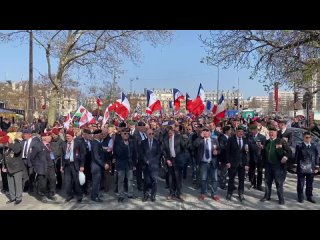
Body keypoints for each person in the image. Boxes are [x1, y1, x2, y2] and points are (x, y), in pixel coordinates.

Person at [260, 127, 292, 205]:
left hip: (277, 165)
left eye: (273, 132)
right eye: (270, 132)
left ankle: (281, 198)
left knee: (278, 182)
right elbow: (264, 154)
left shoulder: (280, 141)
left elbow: (289, 151)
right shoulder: (267, 142)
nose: (271, 134)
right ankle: (267, 196)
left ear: (276, 133)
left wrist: (285, 157)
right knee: (267, 182)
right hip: (268, 165)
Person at [194, 127, 220, 201]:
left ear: (209, 132)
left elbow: (219, 149)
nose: (205, 132)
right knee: (203, 179)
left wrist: (217, 152)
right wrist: (200, 137)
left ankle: (214, 194)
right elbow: (194, 145)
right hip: (203, 163)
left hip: (213, 162)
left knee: (214, 179)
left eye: (207, 131)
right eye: (204, 131)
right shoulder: (200, 140)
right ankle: (203, 193)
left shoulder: (214, 140)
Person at [225, 126, 250, 202]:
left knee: (241, 180)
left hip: (242, 163)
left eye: (242, 132)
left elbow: (247, 153)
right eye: (239, 131)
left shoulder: (245, 140)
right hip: (233, 163)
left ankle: (241, 193)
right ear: (236, 132)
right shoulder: (231, 139)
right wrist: (227, 162)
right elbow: (227, 152)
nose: (241, 133)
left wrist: (247, 164)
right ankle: (229, 193)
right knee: (231, 179)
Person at [293, 132, 319, 203]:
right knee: (300, 183)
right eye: (306, 137)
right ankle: (300, 196)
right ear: (303, 138)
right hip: (302, 167)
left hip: (311, 167)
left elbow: (316, 156)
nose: (308, 139)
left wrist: (317, 167)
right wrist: (295, 166)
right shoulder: (300, 146)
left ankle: (309, 196)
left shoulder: (314, 146)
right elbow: (296, 156)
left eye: (309, 137)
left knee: (310, 183)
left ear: (311, 138)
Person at [163, 127, 187, 201]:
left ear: (173, 131)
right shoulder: (166, 139)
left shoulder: (178, 137)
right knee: (171, 178)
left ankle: (179, 193)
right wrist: (167, 160)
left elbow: (184, 147)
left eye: (171, 132)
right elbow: (164, 151)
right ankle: (172, 193)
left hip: (178, 160)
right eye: (168, 133)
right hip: (170, 160)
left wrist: (185, 140)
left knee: (178, 178)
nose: (169, 134)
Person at [114, 128, 137, 202]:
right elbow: (118, 153)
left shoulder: (131, 142)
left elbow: (134, 153)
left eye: (128, 133)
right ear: (121, 134)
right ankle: (121, 195)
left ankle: (130, 194)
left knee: (130, 179)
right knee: (121, 180)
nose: (127, 135)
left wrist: (134, 164)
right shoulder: (117, 142)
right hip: (121, 164)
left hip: (129, 164)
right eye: (125, 133)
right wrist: (125, 145)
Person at [62, 130, 86, 203]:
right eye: (66, 136)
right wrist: (61, 166)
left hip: (75, 165)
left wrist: (82, 165)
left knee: (77, 182)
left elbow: (83, 154)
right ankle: (69, 195)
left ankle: (79, 196)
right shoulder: (64, 144)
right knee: (67, 182)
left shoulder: (78, 143)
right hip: (67, 165)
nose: (67, 138)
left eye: (69, 136)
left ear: (72, 136)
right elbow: (62, 155)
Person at [1, 132, 24, 205]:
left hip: (17, 168)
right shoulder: (5, 148)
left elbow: (17, 151)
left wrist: (10, 144)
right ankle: (13, 197)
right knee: (10, 184)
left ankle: (18, 198)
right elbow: (5, 157)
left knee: (18, 184)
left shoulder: (16, 144)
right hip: (9, 169)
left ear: (9, 141)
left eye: (5, 143)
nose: (4, 144)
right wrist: (4, 166)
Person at [141, 129, 161, 202]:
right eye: (150, 134)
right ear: (146, 134)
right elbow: (141, 153)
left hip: (154, 165)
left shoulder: (157, 142)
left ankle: (153, 195)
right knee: (146, 181)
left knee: (154, 181)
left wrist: (151, 161)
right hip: (146, 165)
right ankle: (146, 195)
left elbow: (159, 153)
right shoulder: (143, 142)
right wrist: (145, 160)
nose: (151, 135)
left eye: (153, 133)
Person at [90, 129, 108, 202]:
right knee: (96, 182)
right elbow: (96, 157)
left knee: (98, 181)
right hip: (96, 166)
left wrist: (104, 149)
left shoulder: (97, 143)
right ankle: (94, 196)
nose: (102, 135)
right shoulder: (95, 143)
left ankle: (96, 193)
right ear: (97, 135)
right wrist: (104, 164)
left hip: (97, 166)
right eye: (101, 134)